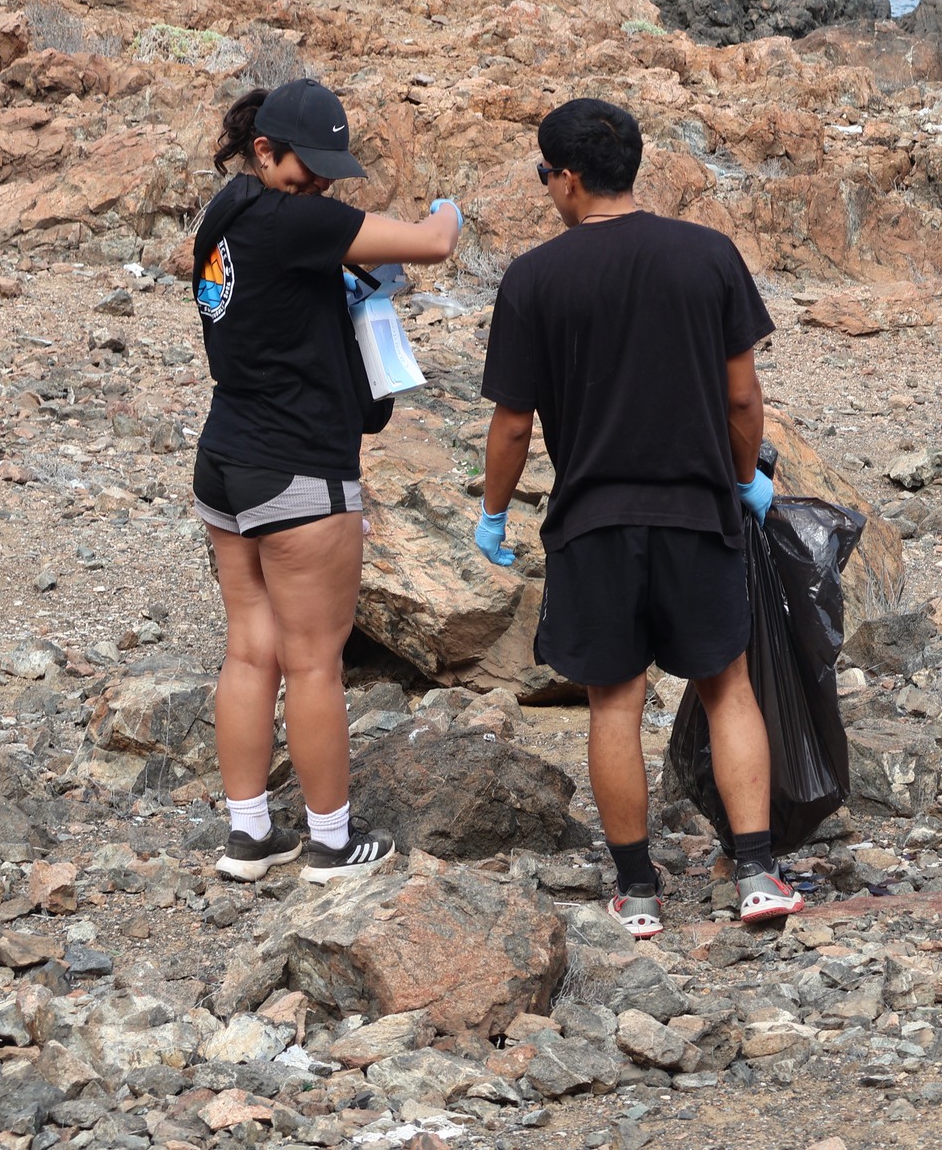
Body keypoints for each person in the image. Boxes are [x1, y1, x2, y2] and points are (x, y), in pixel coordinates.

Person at [475, 97, 803, 938]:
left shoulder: (534, 280)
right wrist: (740, 481)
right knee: (727, 685)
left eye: (544, 174)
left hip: (594, 521)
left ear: (570, 178)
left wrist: (494, 513)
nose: (546, 187)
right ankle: (759, 871)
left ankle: (638, 890)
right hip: (698, 510)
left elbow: (513, 423)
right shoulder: (709, 257)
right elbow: (742, 395)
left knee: (615, 701)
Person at [194, 78, 461, 884]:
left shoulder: (227, 213)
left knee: (251, 650)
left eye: (328, 173)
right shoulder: (299, 220)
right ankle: (332, 842)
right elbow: (433, 243)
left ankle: (248, 834)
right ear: (265, 149)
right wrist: (448, 207)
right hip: (300, 465)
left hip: (225, 459)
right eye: (307, 168)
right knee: (314, 662)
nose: (321, 186)